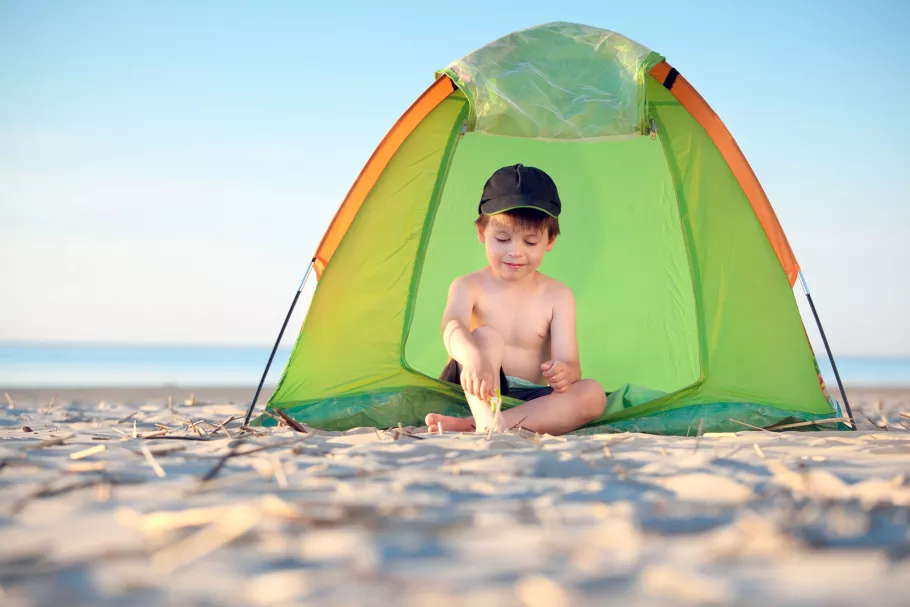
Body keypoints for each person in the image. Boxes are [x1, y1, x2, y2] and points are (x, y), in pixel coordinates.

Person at [425, 164, 607, 435]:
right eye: (502, 238)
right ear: (481, 233)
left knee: (594, 394)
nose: (515, 252)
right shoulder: (468, 285)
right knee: (487, 337)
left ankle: (482, 425)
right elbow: (451, 328)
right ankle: (482, 417)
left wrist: (565, 372)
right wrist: (472, 356)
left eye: (530, 242)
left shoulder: (557, 295)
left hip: (528, 400)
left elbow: (570, 361)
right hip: (472, 387)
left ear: (550, 241)